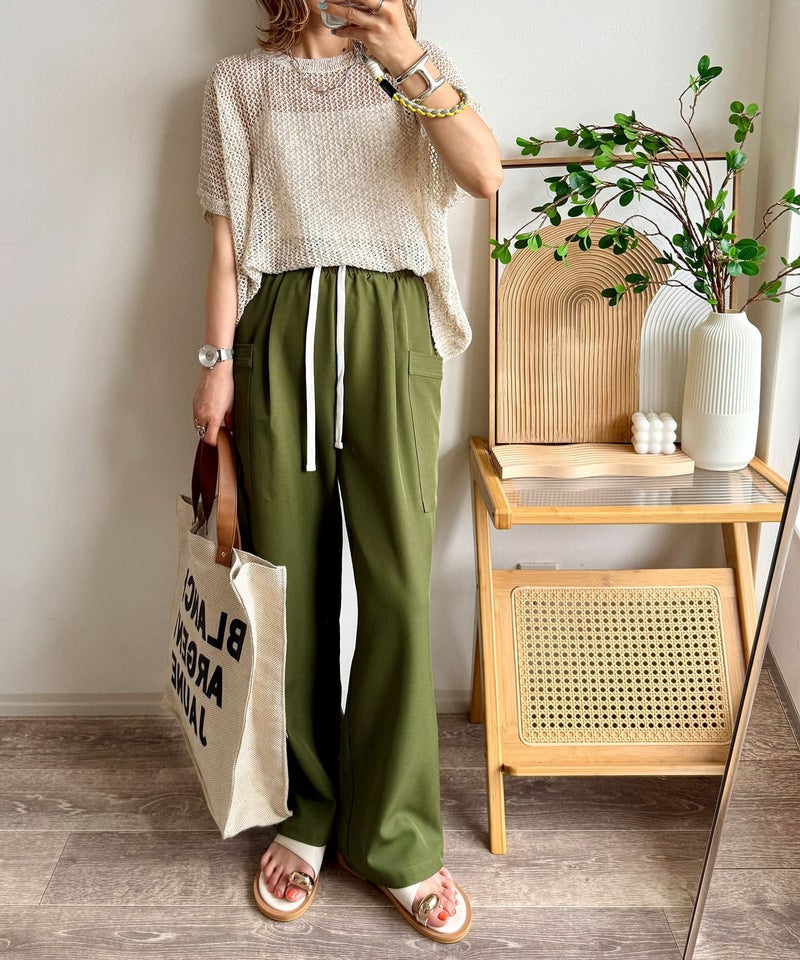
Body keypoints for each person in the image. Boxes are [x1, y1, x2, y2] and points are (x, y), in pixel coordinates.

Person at [191, 0, 502, 944]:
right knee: (288, 588)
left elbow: (484, 174)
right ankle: (308, 814)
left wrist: (405, 62)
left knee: (400, 587)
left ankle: (399, 838)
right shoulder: (239, 84)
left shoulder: (414, 66)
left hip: (391, 330)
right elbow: (226, 242)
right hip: (279, 331)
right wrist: (215, 365)